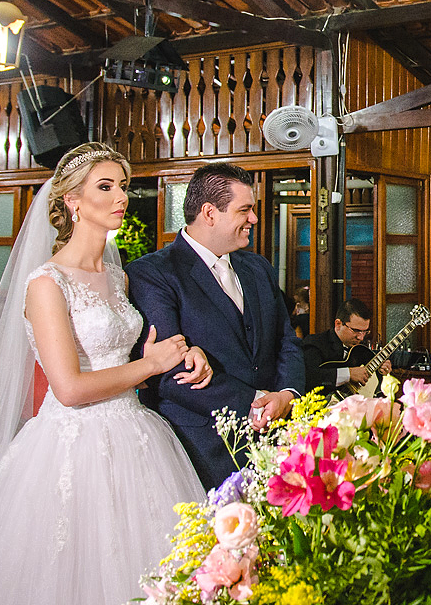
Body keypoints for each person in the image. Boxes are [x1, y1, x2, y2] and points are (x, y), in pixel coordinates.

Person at [0, 142, 211, 605]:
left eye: (123, 186)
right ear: (72, 201)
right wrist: (149, 364)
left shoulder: (118, 278)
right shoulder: (47, 282)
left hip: (137, 434)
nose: (121, 196)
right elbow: (69, 388)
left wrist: (178, 355)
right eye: (106, 186)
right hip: (72, 443)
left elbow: (123, 363)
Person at [128, 162, 306, 489]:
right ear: (210, 213)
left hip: (276, 441)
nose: (254, 219)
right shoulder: (152, 273)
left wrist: (287, 395)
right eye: (245, 210)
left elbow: (286, 342)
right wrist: (256, 400)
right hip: (201, 451)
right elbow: (168, 373)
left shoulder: (258, 267)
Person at [302, 298, 391, 399]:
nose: (361, 338)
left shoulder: (362, 350)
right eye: (356, 331)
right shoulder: (315, 343)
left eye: (365, 332)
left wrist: (382, 373)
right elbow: (309, 377)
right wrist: (348, 374)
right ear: (338, 324)